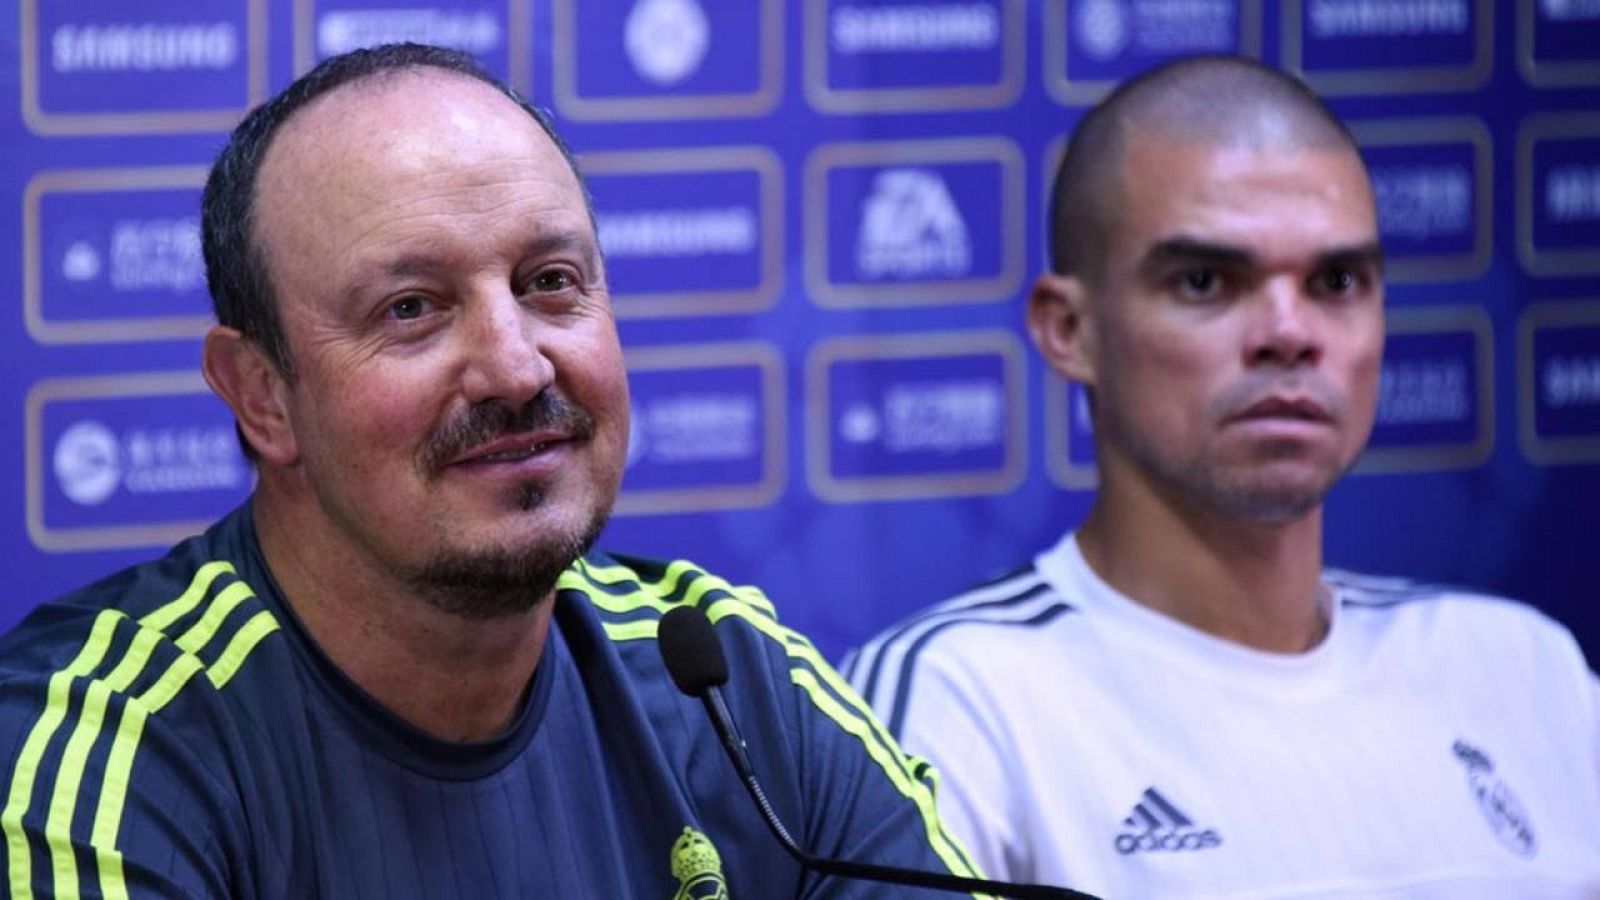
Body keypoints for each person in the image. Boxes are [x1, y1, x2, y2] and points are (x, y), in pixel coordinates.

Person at [0, 44, 985, 899]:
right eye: (413, 309)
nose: (515, 366)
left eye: (549, 284)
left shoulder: (727, 683)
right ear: (262, 395)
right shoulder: (109, 744)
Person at [845, 55, 1600, 897]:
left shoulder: (1526, 669)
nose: (1289, 332)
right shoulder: (962, 701)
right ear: (1069, 329)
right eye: (1206, 281)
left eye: (1337, 281)